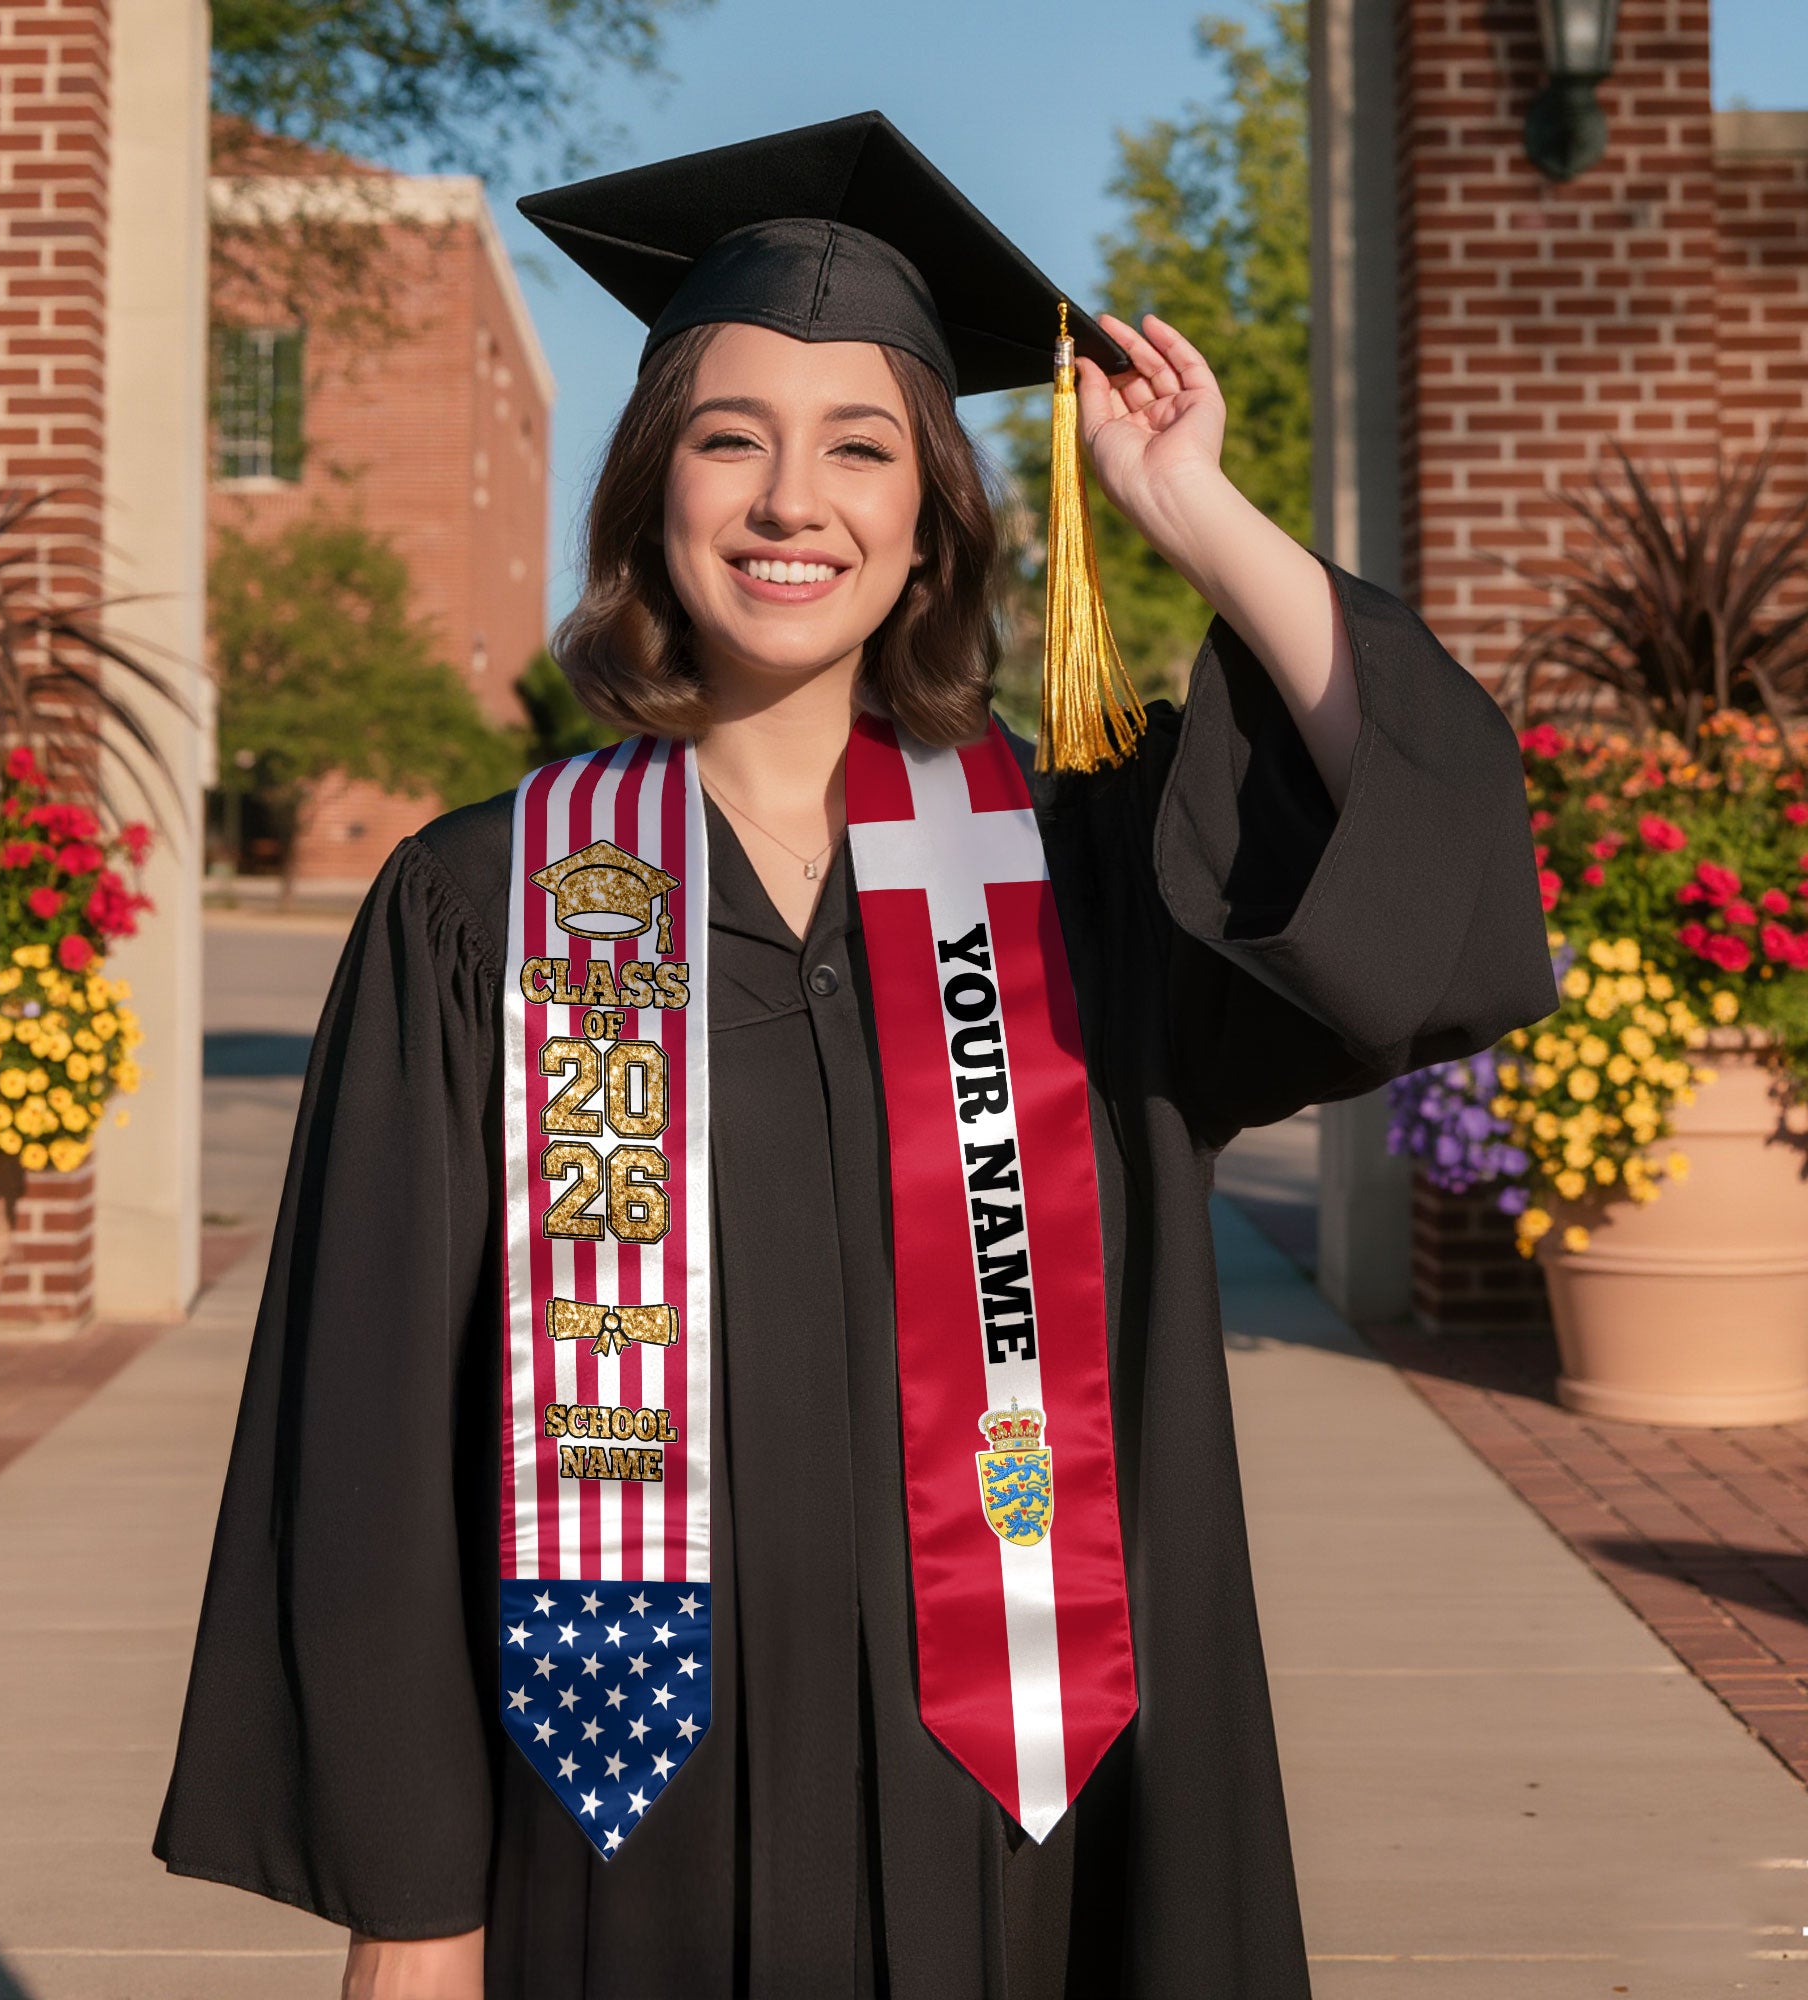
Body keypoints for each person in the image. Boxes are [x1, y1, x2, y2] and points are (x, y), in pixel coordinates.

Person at [153, 113, 1558, 1999]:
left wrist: (1191, 509)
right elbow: (374, 1434)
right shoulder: (476, 908)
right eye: (731, 439)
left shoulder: (1083, 884)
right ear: (655, 489)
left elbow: (1421, 852)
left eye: (860, 448)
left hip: (1029, 1830)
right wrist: (413, 1906)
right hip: (614, 1838)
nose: (789, 500)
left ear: (928, 524)